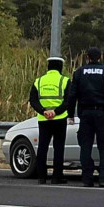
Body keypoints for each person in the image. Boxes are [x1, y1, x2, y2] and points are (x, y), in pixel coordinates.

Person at [66, 47, 104, 188]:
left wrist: (70, 115)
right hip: (102, 114)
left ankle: (87, 178)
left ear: (87, 57)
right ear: (101, 57)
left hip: (85, 114)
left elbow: (72, 96)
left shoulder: (79, 73)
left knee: (85, 146)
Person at [29, 56, 71, 185]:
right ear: (60, 67)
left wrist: (43, 111)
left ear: (48, 67)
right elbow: (68, 101)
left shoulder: (39, 81)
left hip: (43, 119)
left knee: (42, 147)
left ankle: (41, 177)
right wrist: (56, 112)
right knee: (58, 148)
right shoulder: (65, 80)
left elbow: (33, 100)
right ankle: (57, 177)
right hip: (59, 119)